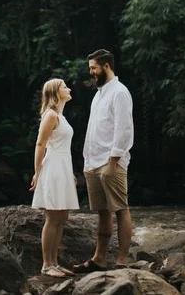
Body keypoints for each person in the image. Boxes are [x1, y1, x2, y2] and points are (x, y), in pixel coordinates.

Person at [73, 49, 134, 273]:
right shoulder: (98, 94)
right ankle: (99, 258)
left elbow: (124, 129)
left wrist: (113, 160)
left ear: (106, 66)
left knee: (121, 209)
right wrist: (87, 161)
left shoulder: (119, 92)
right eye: (91, 68)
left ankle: (121, 261)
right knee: (102, 212)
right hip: (93, 162)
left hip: (111, 162)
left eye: (94, 68)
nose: (91, 72)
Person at [30, 78, 79, 278]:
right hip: (52, 169)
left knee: (62, 217)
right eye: (64, 87)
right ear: (55, 93)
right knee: (52, 217)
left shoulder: (61, 116)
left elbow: (64, 147)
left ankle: (55, 263)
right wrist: (37, 172)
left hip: (63, 167)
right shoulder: (50, 115)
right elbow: (40, 144)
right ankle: (46, 264)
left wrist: (71, 174)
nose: (68, 88)